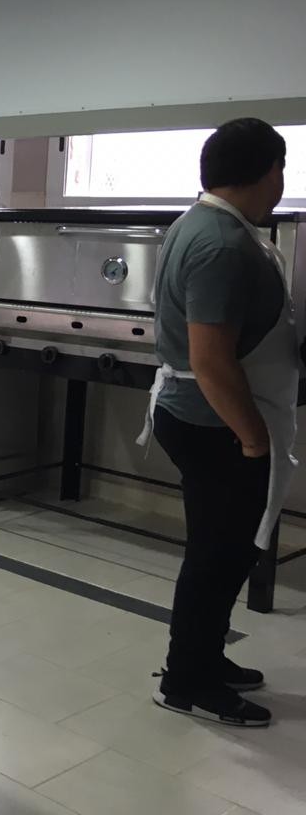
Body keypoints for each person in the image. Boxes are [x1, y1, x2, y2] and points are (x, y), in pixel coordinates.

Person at [137, 117, 295, 727]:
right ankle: (187, 681)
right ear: (271, 171)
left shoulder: (203, 223)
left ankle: (204, 657)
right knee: (216, 556)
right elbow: (209, 359)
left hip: (204, 418)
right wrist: (253, 438)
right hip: (215, 425)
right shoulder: (223, 245)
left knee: (223, 553)